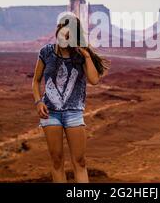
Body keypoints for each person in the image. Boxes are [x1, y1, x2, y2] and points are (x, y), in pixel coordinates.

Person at [32, 13, 110, 183]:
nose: (64, 37)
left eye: (69, 35)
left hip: (74, 113)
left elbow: (94, 80)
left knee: (80, 162)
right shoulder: (46, 52)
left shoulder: (80, 55)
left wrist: (87, 55)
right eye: (62, 32)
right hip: (50, 113)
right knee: (57, 161)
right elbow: (36, 81)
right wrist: (38, 102)